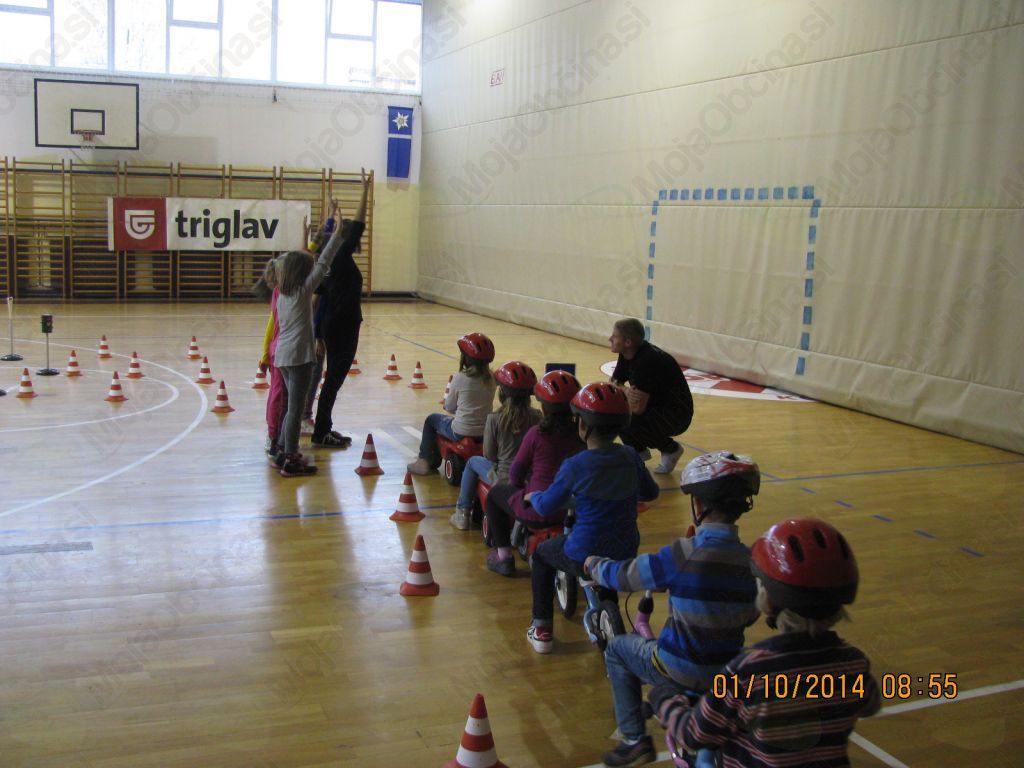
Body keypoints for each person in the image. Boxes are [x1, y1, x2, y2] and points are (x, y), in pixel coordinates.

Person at [649, 517, 880, 768]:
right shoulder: (854, 663)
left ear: (768, 598)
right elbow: (870, 706)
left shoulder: (749, 672)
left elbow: (695, 734)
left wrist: (664, 698)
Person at [583, 451, 762, 767]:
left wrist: (596, 566)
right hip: (726, 670)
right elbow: (750, 613)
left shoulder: (684, 553)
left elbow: (627, 576)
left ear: (699, 505)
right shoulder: (750, 561)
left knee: (618, 649)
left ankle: (634, 740)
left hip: (677, 667)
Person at [524, 382, 659, 654]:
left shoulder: (575, 465)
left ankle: (541, 627)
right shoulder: (630, 456)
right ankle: (607, 606)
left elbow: (547, 506)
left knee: (541, 556)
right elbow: (651, 492)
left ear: (582, 425)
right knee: (609, 552)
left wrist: (533, 496)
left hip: (584, 550)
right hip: (625, 548)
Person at [273, 173, 363, 477]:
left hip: (282, 356)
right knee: (295, 410)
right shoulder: (302, 292)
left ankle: (280, 450)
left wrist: (315, 231)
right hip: (299, 358)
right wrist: (335, 233)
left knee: (291, 409)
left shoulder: (282, 292)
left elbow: (307, 258)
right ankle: (290, 457)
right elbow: (322, 262)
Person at [483, 369, 584, 576]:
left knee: (494, 496)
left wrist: (519, 488)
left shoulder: (537, 434)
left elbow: (516, 473)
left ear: (544, 408)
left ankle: (503, 556)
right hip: (573, 510)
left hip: (538, 508)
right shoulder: (581, 436)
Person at [308, 173, 371, 448]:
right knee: (333, 381)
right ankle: (321, 432)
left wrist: (317, 333)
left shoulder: (325, 261)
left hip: (331, 326)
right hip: (343, 327)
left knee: (331, 381)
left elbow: (316, 300)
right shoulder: (341, 255)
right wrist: (365, 190)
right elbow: (358, 223)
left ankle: (323, 428)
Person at [450, 360, 541, 531]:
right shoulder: (537, 416)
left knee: (472, 462)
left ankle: (463, 512)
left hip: (504, 476)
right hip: (530, 477)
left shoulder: (494, 419)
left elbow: (489, 455)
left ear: (502, 393)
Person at [609, 318, 693, 475]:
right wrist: (626, 391)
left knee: (623, 416)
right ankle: (638, 453)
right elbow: (614, 382)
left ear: (627, 342)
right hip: (657, 406)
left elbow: (637, 409)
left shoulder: (646, 361)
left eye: (614, 336)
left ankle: (670, 449)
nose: (610, 339)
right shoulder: (627, 353)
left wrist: (623, 392)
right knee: (617, 409)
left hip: (676, 415)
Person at [406, 332, 496, 476]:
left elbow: (449, 407)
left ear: (465, 358)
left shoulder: (460, 378)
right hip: (485, 432)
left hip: (461, 431)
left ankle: (424, 460)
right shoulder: (492, 378)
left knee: (431, 420)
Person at [255, 256, 287, 463]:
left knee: (279, 396)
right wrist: (265, 357)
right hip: (280, 354)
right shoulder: (281, 295)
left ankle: (276, 435)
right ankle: (273, 436)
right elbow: (271, 330)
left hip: (276, 352)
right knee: (278, 396)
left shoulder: (278, 293)